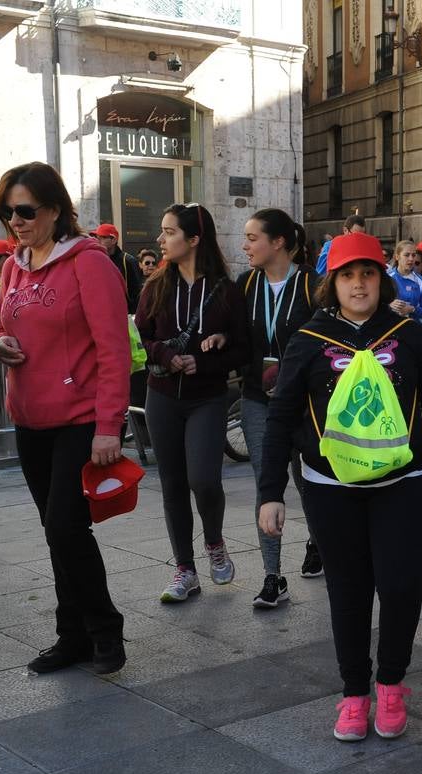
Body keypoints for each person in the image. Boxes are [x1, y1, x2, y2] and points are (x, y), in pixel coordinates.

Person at [257, 232, 422, 742]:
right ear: (333, 283)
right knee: (348, 592)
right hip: (329, 488)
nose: (358, 284)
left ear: (381, 277)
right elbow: (281, 417)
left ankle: (391, 683)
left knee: (399, 586)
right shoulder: (308, 338)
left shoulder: (407, 334)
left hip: (402, 484)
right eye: (347, 275)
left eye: (367, 273)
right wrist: (270, 493)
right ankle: (354, 693)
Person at [0, 161, 131, 675]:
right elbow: (6, 327)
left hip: (78, 420)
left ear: (55, 208)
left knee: (66, 529)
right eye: (7, 212)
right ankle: (71, 635)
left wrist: (109, 427)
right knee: (57, 532)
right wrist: (0, 343)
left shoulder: (89, 263)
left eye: (25, 210)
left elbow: (114, 350)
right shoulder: (13, 266)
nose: (15, 221)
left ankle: (103, 628)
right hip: (30, 419)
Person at [136, 204, 249, 603]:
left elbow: (243, 349)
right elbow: (142, 340)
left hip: (207, 397)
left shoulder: (226, 291)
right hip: (162, 395)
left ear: (194, 239)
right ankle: (185, 568)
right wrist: (167, 357)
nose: (161, 239)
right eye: (162, 231)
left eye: (169, 232)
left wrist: (208, 356)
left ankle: (215, 542)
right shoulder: (155, 285)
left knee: (203, 479)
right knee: (171, 484)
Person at [239, 207, 323, 608]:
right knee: (265, 481)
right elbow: (237, 334)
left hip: (304, 403)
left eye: (252, 238)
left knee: (306, 477)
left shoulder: (311, 285)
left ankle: (318, 540)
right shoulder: (245, 285)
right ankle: (272, 577)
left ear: (278, 243)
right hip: (258, 398)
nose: (245, 246)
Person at [95, 223, 144, 314]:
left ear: (113, 239)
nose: (97, 241)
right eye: (96, 237)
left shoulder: (128, 261)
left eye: (102, 237)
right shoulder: (97, 260)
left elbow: (136, 294)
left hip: (126, 315)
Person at [389, 239, 422, 324]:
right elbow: (373, 306)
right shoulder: (387, 278)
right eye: (407, 255)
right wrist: (389, 305)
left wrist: (412, 309)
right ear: (397, 257)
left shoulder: (420, 281)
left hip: (412, 329)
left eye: (413, 255)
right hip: (389, 329)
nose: (411, 259)